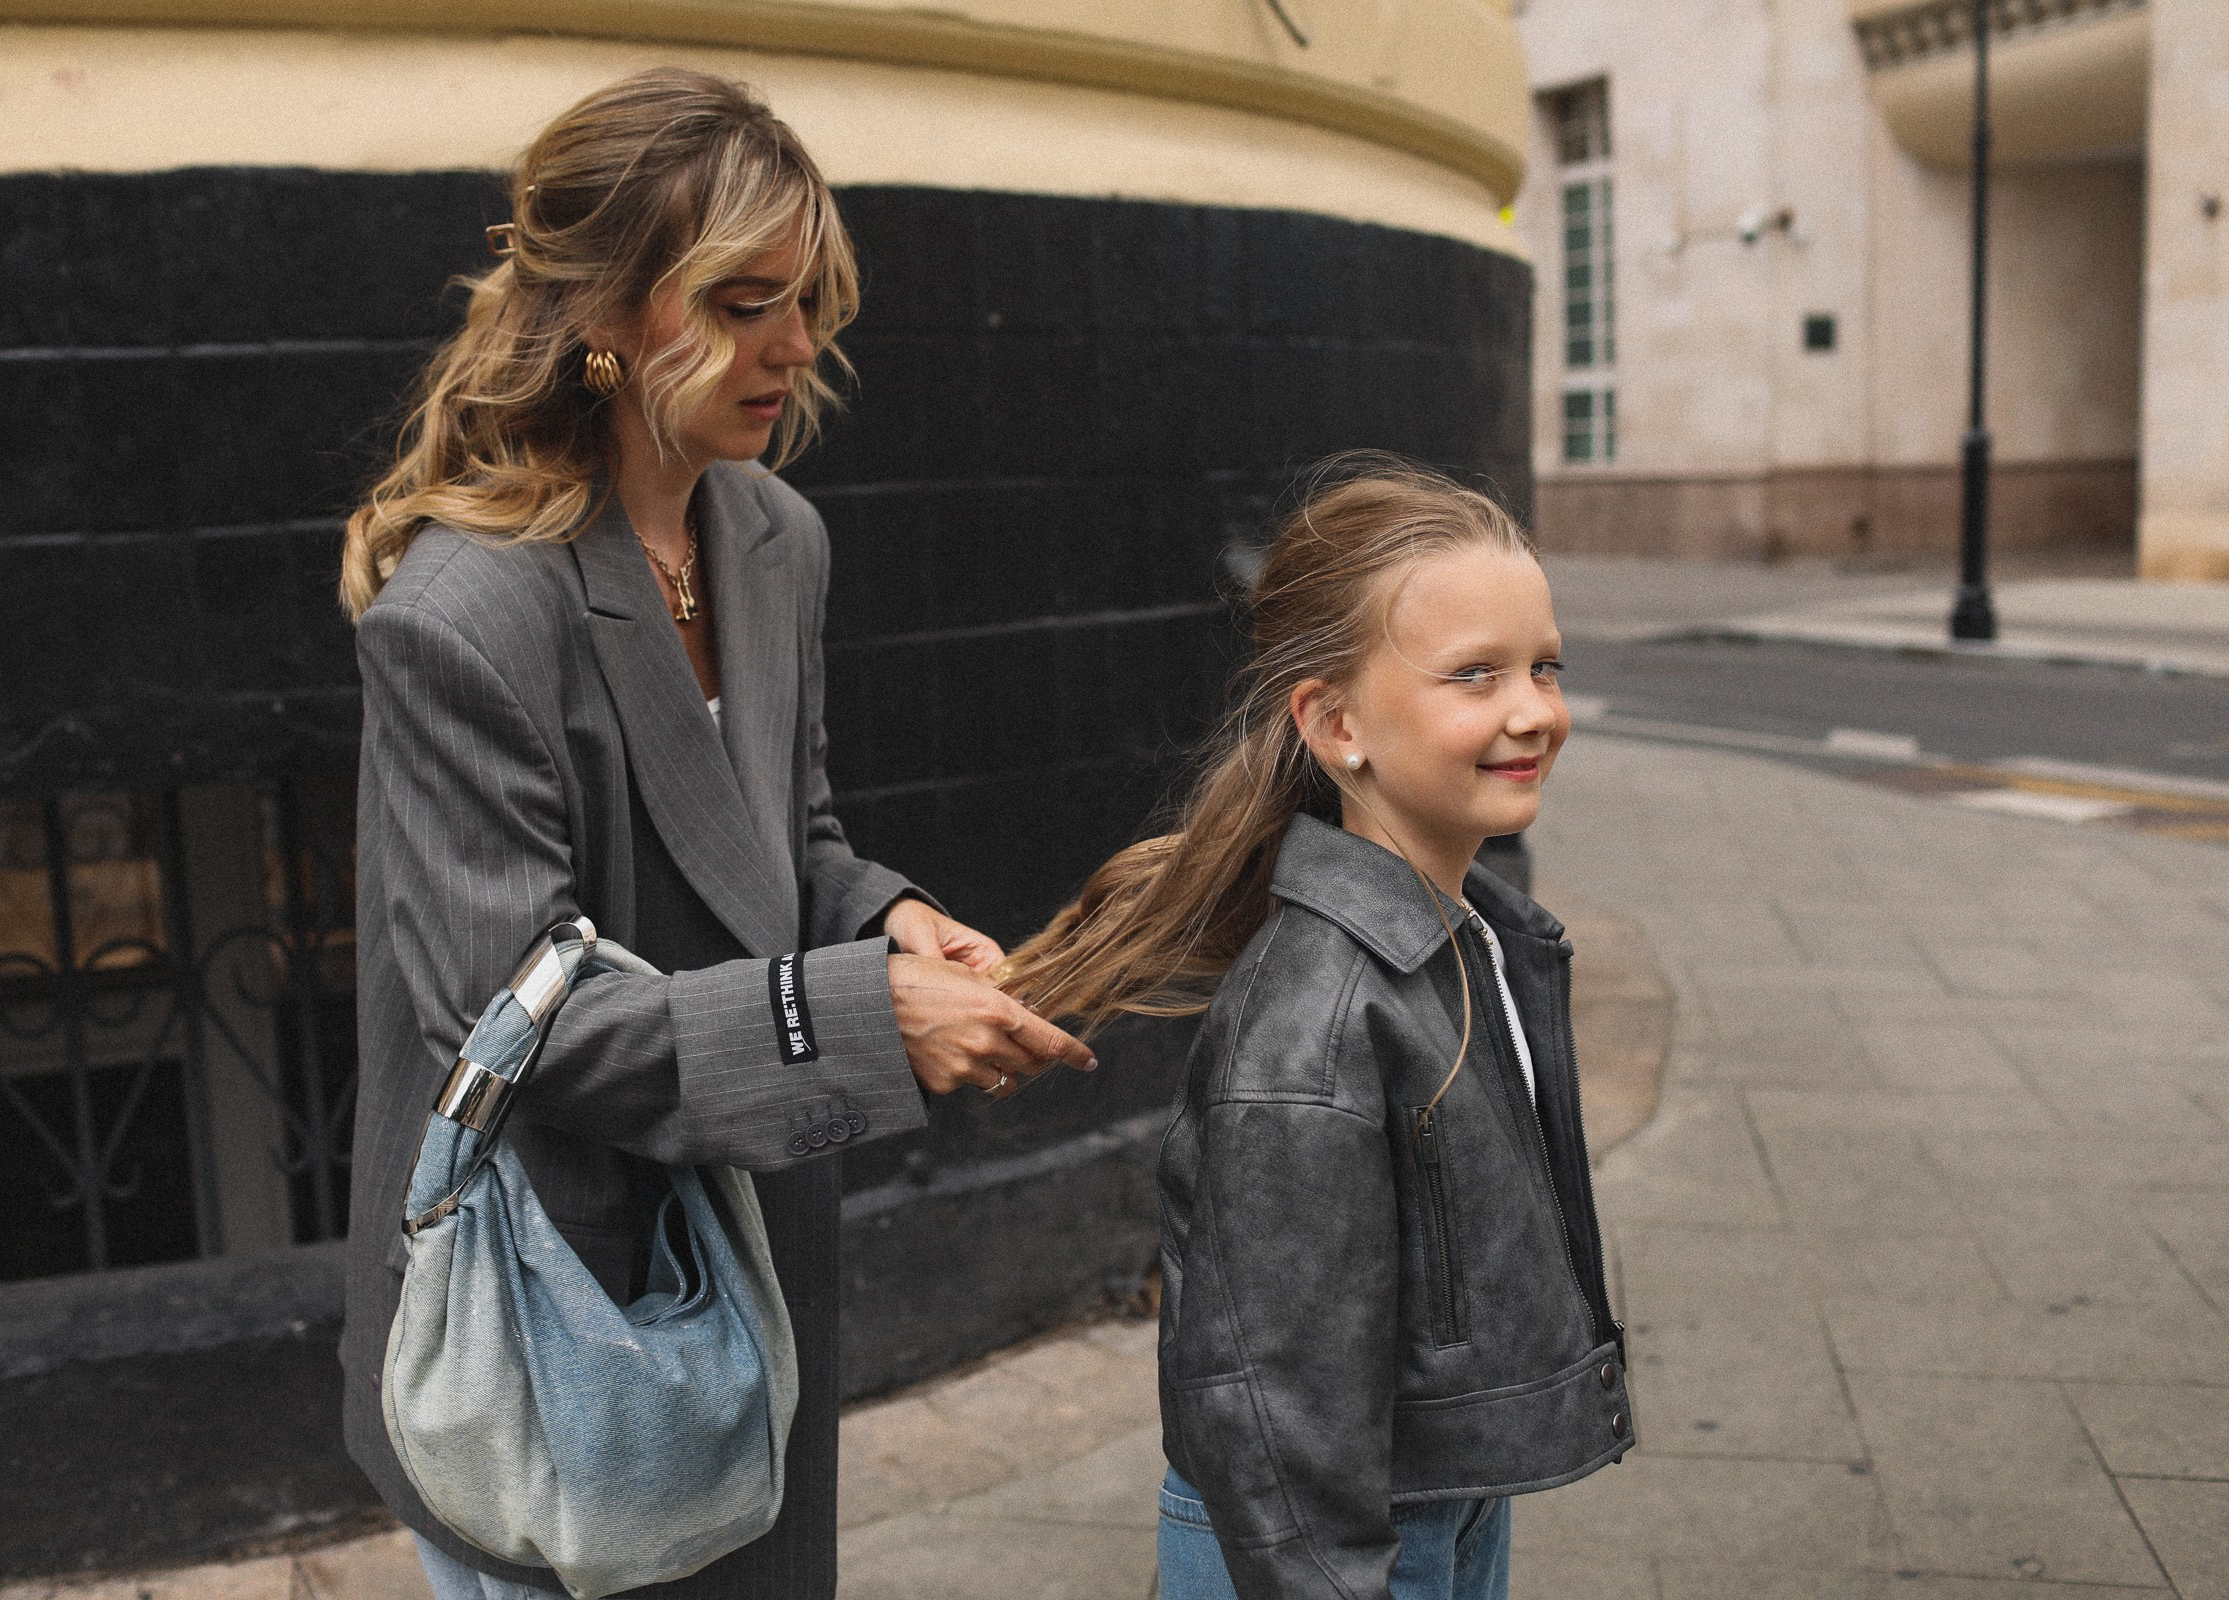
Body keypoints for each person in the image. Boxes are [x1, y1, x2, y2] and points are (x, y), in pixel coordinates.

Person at [336, 68, 1094, 1600]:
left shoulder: (771, 535)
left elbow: (785, 838)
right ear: (605, 317)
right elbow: (515, 1023)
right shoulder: (463, 612)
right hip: (553, 1310)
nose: (798, 347)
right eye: (747, 305)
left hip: (747, 1243)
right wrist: (866, 1017)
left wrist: (886, 918)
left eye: (806, 302)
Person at [1000, 458, 1632, 1600]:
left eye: (1545, 665)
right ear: (1337, 723)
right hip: (1330, 1540)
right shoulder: (1318, 1017)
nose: (1533, 710)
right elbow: (1272, 1402)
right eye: (1475, 674)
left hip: (1434, 1493)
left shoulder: (1479, 938)